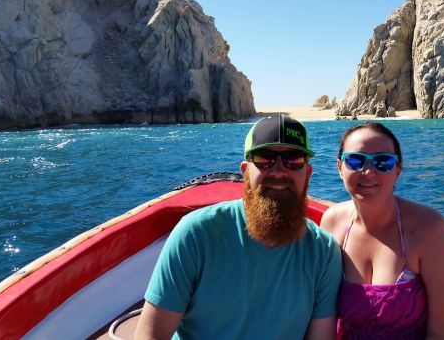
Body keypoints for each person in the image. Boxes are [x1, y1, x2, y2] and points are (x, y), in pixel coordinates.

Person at [135, 114, 342, 339]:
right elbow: (150, 335)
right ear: (245, 172)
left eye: (293, 161)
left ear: (308, 174)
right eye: (264, 159)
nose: (279, 171)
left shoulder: (323, 252)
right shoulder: (196, 234)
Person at [320, 122, 444, 339]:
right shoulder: (332, 223)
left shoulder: (428, 228)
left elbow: (442, 333)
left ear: (398, 170)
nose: (368, 171)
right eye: (355, 160)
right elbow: (323, 313)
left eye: (383, 162)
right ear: (340, 167)